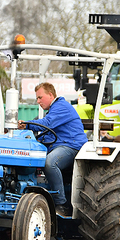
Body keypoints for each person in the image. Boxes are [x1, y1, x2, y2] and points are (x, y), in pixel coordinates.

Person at [17, 82, 88, 217]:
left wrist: (27, 125)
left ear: (50, 95)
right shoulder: (53, 110)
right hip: (60, 145)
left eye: (40, 97)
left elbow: (47, 124)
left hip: (72, 145)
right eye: (37, 98)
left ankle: (61, 204)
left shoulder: (61, 107)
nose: (38, 101)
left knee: (50, 162)